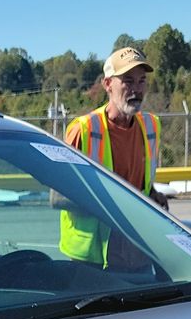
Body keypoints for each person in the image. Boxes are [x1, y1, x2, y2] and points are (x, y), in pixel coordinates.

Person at [59, 46, 167, 266]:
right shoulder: (84, 130)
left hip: (138, 251)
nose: (136, 89)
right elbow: (59, 196)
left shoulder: (151, 127)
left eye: (142, 81)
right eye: (127, 81)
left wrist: (153, 194)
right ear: (108, 84)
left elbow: (141, 182)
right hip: (92, 258)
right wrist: (111, 204)